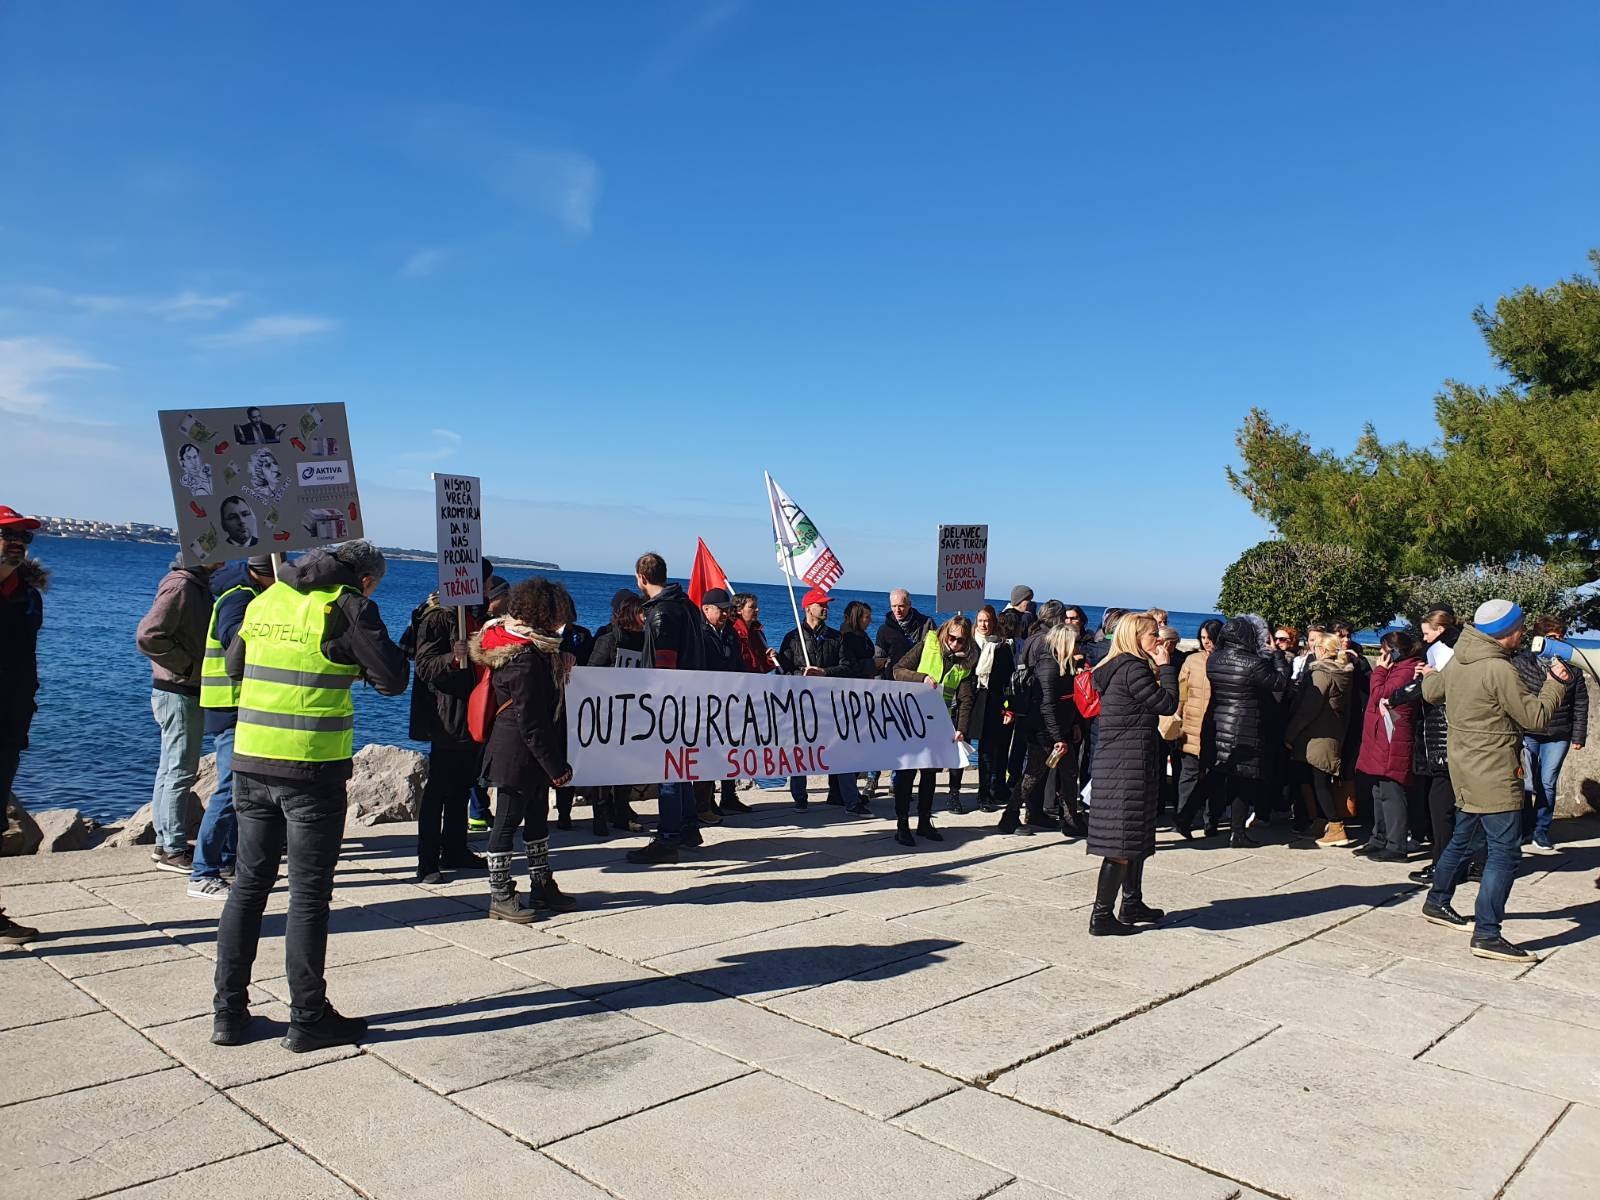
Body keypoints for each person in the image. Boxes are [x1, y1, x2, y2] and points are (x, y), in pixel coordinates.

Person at [212, 540, 409, 1051]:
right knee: (307, 896)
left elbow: (236, 668)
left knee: (249, 888)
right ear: (366, 579)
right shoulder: (346, 606)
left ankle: (229, 1014)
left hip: (251, 760)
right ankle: (307, 1016)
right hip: (310, 767)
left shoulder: (269, 598)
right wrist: (350, 661)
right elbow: (392, 678)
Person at [1420, 599, 1572, 962]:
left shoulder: (1461, 658)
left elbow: (1431, 692)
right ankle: (1487, 934)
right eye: (1519, 628)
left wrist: (1428, 675)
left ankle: (1437, 901)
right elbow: (1535, 717)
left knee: (1463, 835)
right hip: (1494, 771)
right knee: (1504, 853)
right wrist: (1555, 684)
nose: (1522, 633)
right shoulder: (1498, 670)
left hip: (1463, 766)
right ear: (1506, 632)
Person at [472, 577, 579, 923]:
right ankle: (500, 894)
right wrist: (556, 767)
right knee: (506, 821)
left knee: (536, 819)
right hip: (516, 754)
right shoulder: (523, 660)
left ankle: (541, 883)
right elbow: (531, 722)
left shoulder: (521, 646)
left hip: (523, 752)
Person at [1084, 613, 1179, 936]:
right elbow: (1166, 704)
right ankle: (1101, 915)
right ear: (1135, 637)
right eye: (1152, 634)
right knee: (1121, 842)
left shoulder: (1119, 667)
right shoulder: (1132, 668)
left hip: (1126, 761)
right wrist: (1166, 666)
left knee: (1135, 837)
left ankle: (1132, 902)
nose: (1158, 639)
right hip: (1126, 764)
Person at [189, 555, 276, 900]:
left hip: (240, 702)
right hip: (231, 702)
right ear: (265, 574)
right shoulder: (241, 597)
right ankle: (202, 871)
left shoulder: (247, 592)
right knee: (230, 786)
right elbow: (233, 642)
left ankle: (228, 861)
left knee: (242, 785)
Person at [403, 561, 496, 884]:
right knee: (439, 788)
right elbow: (425, 665)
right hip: (445, 714)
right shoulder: (439, 615)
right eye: (485, 582)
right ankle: (427, 860)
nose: (487, 589)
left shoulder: (473, 613)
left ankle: (455, 847)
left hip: (469, 710)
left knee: (461, 784)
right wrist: (453, 658)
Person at [136, 555, 220, 874]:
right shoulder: (183, 584)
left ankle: (164, 841)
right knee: (179, 770)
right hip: (179, 690)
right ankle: (172, 847)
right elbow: (149, 634)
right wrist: (187, 666)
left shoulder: (195, 584)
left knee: (171, 766)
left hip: (180, 688)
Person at [626, 552, 706, 864]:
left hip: (670, 701)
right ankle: (687, 828)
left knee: (670, 768)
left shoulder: (662, 613)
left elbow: (665, 662)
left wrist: (656, 701)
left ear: (641, 578)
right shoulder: (687, 607)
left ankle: (669, 836)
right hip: (689, 696)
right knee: (681, 765)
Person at [779, 588, 874, 808]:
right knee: (800, 751)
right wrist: (801, 674)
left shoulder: (836, 637)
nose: (826, 608)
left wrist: (824, 672)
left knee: (842, 750)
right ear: (808, 608)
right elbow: (783, 672)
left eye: (826, 604)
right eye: (821, 604)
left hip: (831, 705)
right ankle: (800, 798)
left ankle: (851, 800)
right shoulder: (792, 638)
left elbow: (847, 667)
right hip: (801, 704)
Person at [1204, 614, 1291, 847]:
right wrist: (1277, 655)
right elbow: (1280, 682)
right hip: (1246, 726)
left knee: (1222, 776)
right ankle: (1238, 833)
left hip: (1219, 722)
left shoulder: (1214, 659)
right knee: (1243, 782)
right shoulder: (1253, 663)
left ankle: (1211, 821)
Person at [0, 507, 45, 947]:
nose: (17, 543)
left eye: (24, 538)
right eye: (7, 534)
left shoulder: (27, 596)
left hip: (9, 724)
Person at [891, 617, 976, 846]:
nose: (955, 644)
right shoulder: (928, 643)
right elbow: (897, 670)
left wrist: (961, 729)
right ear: (945, 632)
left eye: (961, 640)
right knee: (906, 774)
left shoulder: (966, 662)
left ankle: (924, 821)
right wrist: (921, 678)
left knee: (929, 775)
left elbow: (966, 698)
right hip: (911, 719)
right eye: (952, 638)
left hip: (939, 724)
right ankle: (902, 824)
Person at [1392, 607, 1461, 882]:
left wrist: (1428, 675)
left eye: (1427, 632)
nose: (1425, 638)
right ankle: (1465, 862)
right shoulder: (1461, 651)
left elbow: (1435, 691)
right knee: (1454, 806)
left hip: (1443, 735)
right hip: (1450, 735)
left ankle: (1443, 865)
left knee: (1441, 804)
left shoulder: (1444, 651)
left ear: (1440, 630)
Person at [1513, 615, 1589, 852]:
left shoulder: (1572, 668)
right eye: (1552, 637)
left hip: (1558, 733)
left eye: (1560, 637)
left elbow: (1580, 702)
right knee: (1525, 782)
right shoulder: (1522, 662)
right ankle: (1524, 828)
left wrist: (1578, 736)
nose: (1557, 642)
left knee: (1547, 782)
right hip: (1529, 730)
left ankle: (1541, 830)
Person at [999, 616, 1075, 835]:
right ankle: (1010, 815)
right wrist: (1058, 737)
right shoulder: (1049, 667)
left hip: (1059, 728)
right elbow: (1047, 705)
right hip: (1045, 731)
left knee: (1069, 773)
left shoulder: (1062, 665)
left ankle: (1071, 820)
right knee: (1033, 774)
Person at [1352, 631, 1423, 862]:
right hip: (1380, 735)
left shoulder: (1406, 670)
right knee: (1378, 790)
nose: (1381, 654)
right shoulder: (1397, 668)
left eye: (1384, 650)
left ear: (1395, 651)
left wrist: (1380, 671)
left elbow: (1381, 694)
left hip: (1394, 736)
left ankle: (1396, 844)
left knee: (1392, 791)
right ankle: (1379, 837)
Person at [1284, 632, 1356, 848]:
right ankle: (1321, 821)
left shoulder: (1321, 674)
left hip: (1316, 734)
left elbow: (1309, 708)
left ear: (1323, 651)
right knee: (1315, 780)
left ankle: (1335, 825)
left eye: (1315, 645)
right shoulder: (1342, 672)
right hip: (1330, 732)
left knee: (1319, 782)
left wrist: (1290, 734)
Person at [586, 588, 649, 834]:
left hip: (633, 713)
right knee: (603, 769)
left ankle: (622, 813)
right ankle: (600, 816)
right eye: (641, 613)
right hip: (606, 714)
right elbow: (590, 673)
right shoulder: (608, 639)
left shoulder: (645, 640)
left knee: (626, 768)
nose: (645, 617)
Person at [466, 575, 511, 833]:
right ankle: (479, 812)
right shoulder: (487, 627)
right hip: (484, 699)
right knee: (478, 757)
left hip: (486, 698)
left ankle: (479, 811)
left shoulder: (483, 624)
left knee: (480, 757)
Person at [694, 588, 742, 824]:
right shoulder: (698, 634)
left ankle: (710, 800)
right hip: (704, 703)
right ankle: (701, 805)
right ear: (706, 609)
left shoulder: (731, 634)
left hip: (726, 702)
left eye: (727, 610)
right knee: (703, 755)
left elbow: (736, 664)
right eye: (721, 609)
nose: (725, 614)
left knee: (718, 754)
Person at [1174, 618, 1222, 838]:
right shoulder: (1192, 660)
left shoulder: (1225, 661)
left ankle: (1211, 820)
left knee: (1216, 778)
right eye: (1203, 638)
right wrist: (1178, 715)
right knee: (1189, 776)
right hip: (1192, 725)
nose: (1206, 643)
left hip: (1218, 727)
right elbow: (1182, 691)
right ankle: (1183, 820)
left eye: (1210, 638)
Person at [970, 605, 1015, 814]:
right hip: (972, 699)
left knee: (989, 750)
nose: (984, 625)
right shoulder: (969, 644)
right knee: (963, 744)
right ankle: (955, 793)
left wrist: (1008, 708)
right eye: (980, 621)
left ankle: (985, 793)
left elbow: (1008, 681)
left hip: (993, 701)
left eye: (987, 620)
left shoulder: (1003, 647)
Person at [836, 600, 880, 814]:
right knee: (849, 749)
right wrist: (875, 665)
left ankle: (842, 793)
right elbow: (849, 666)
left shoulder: (860, 634)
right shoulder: (847, 636)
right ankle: (848, 797)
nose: (869, 621)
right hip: (851, 693)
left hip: (862, 692)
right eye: (865, 617)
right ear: (855, 617)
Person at [731, 592, 779, 673]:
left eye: (756, 607)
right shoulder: (732, 632)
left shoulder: (758, 634)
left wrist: (769, 659)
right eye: (752, 607)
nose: (757, 609)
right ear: (739, 610)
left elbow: (763, 668)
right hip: (739, 681)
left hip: (756, 681)